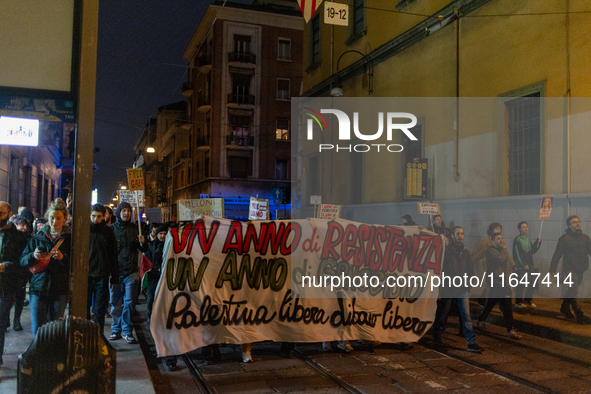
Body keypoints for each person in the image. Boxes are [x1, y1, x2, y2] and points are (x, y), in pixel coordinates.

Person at [21, 198, 71, 335]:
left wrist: (62, 258)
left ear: (65, 218)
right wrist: (33, 255)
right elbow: (23, 260)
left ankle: (53, 356)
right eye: (52, 218)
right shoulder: (38, 237)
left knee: (56, 329)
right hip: (38, 288)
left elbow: (76, 265)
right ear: (48, 217)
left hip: (60, 289)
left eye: (59, 218)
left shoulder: (70, 239)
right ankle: (39, 356)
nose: (55, 221)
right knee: (38, 330)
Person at [432, 226, 483, 353]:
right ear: (453, 236)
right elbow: (440, 269)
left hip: (462, 288)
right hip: (448, 287)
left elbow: (470, 270)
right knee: (443, 312)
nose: (460, 236)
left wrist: (469, 285)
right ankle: (437, 332)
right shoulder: (446, 251)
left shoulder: (465, 252)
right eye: (458, 234)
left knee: (466, 315)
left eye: (462, 233)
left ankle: (471, 341)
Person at [109, 202, 147, 344]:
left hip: (131, 272)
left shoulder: (135, 229)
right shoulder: (112, 229)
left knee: (130, 302)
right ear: (119, 212)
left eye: (128, 211)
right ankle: (116, 329)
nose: (126, 213)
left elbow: (144, 250)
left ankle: (127, 330)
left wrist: (143, 242)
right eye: (124, 210)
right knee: (116, 302)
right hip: (116, 273)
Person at [477, 233, 522, 339]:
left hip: (504, 284)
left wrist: (509, 281)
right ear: (493, 241)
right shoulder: (490, 251)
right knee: (492, 305)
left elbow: (508, 267)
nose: (501, 240)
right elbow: (500, 259)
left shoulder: (503, 251)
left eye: (502, 238)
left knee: (505, 307)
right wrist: (505, 250)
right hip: (496, 283)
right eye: (498, 239)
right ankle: (481, 320)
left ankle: (510, 330)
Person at [0, 202, 28, 365]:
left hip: (6, 286)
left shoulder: (18, 237)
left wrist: (6, 266)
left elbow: (22, 262)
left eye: (1, 213)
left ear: (10, 214)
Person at [550, 215, 591, 324]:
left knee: (571, 290)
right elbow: (557, 254)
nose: (577, 224)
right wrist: (552, 269)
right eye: (574, 222)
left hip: (581, 268)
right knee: (574, 290)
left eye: (578, 221)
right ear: (569, 225)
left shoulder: (585, 238)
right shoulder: (564, 239)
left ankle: (564, 308)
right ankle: (579, 315)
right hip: (570, 269)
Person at [89, 204, 119, 333]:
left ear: (104, 216)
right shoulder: (84, 229)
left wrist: (115, 278)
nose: (96, 219)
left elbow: (113, 255)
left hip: (102, 275)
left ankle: (98, 336)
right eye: (93, 216)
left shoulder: (108, 231)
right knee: (84, 309)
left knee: (99, 309)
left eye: (99, 216)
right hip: (86, 275)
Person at [9, 216, 32, 331]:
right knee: (9, 298)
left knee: (19, 297)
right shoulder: (10, 237)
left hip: (22, 272)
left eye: (25, 225)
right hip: (10, 271)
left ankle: (16, 320)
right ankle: (6, 320)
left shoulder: (29, 238)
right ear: (15, 225)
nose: (23, 227)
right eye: (21, 225)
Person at [512, 222, 541, 309]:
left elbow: (532, 251)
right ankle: (518, 302)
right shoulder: (517, 239)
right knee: (520, 284)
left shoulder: (528, 239)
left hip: (529, 265)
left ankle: (528, 300)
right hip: (521, 266)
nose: (526, 228)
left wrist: (538, 243)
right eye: (523, 227)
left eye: (527, 227)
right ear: (519, 229)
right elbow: (517, 253)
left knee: (532, 281)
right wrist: (523, 264)